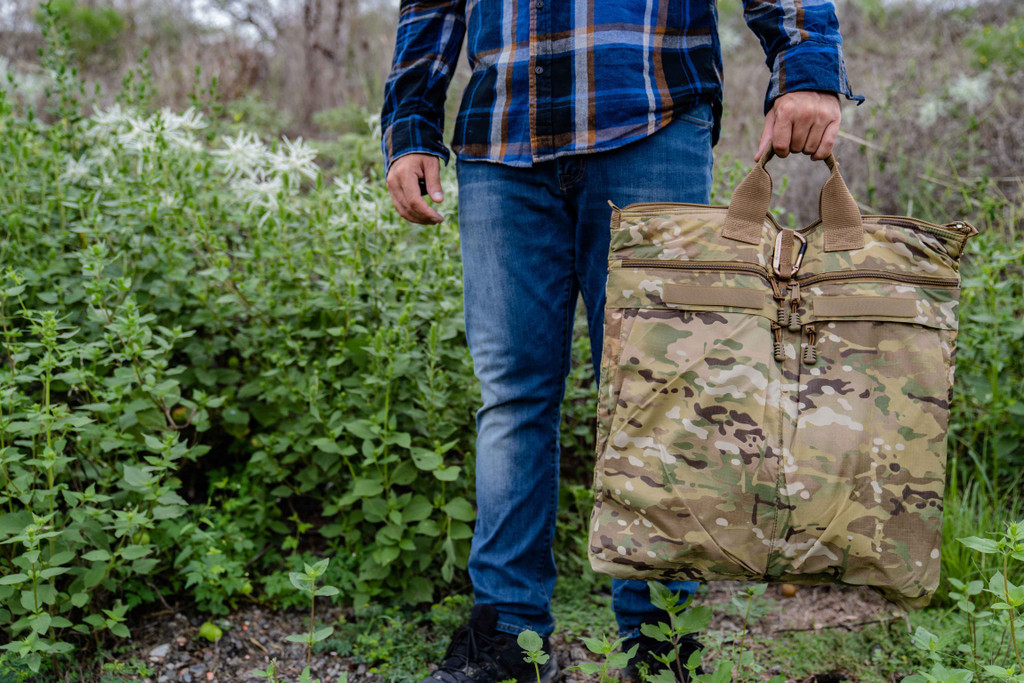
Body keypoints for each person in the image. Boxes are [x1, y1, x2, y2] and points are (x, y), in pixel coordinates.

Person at [380, 2, 861, 681]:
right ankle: (508, 641)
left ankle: (661, 643)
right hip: (500, 135)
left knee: (659, 391)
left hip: (648, 115)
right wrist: (410, 123)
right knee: (511, 397)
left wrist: (806, 62)